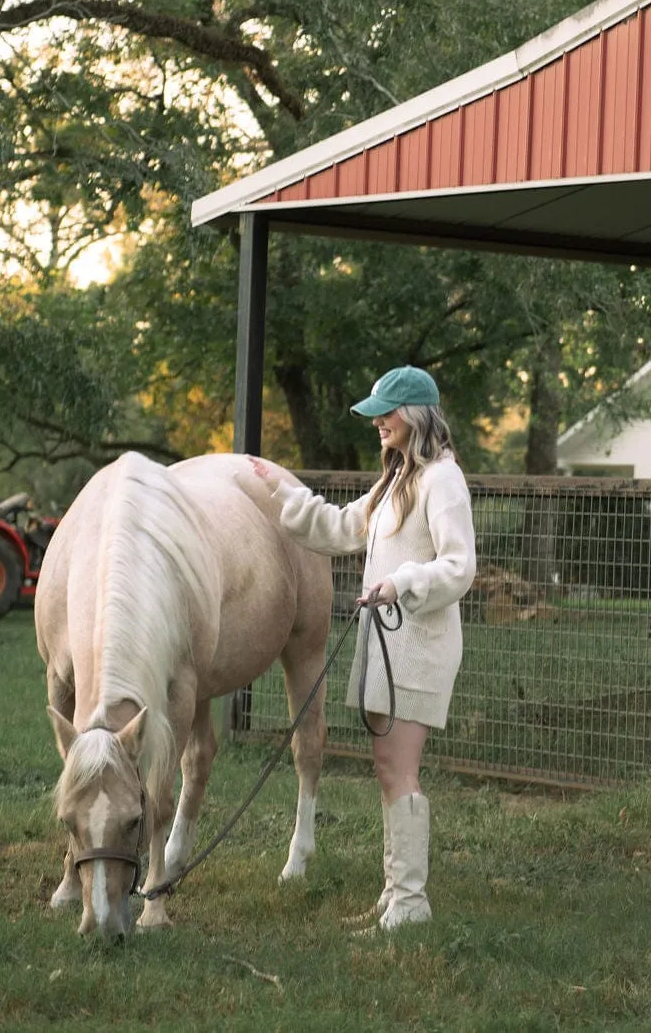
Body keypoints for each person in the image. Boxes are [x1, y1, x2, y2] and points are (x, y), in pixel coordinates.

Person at [250, 365, 476, 932]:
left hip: (417, 643)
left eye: (387, 412)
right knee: (385, 767)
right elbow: (341, 527)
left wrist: (401, 584)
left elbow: (459, 565)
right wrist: (282, 490)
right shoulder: (399, 478)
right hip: (388, 642)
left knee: (399, 769)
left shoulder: (442, 480)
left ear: (416, 415)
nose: (377, 422)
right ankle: (397, 892)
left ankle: (411, 903)